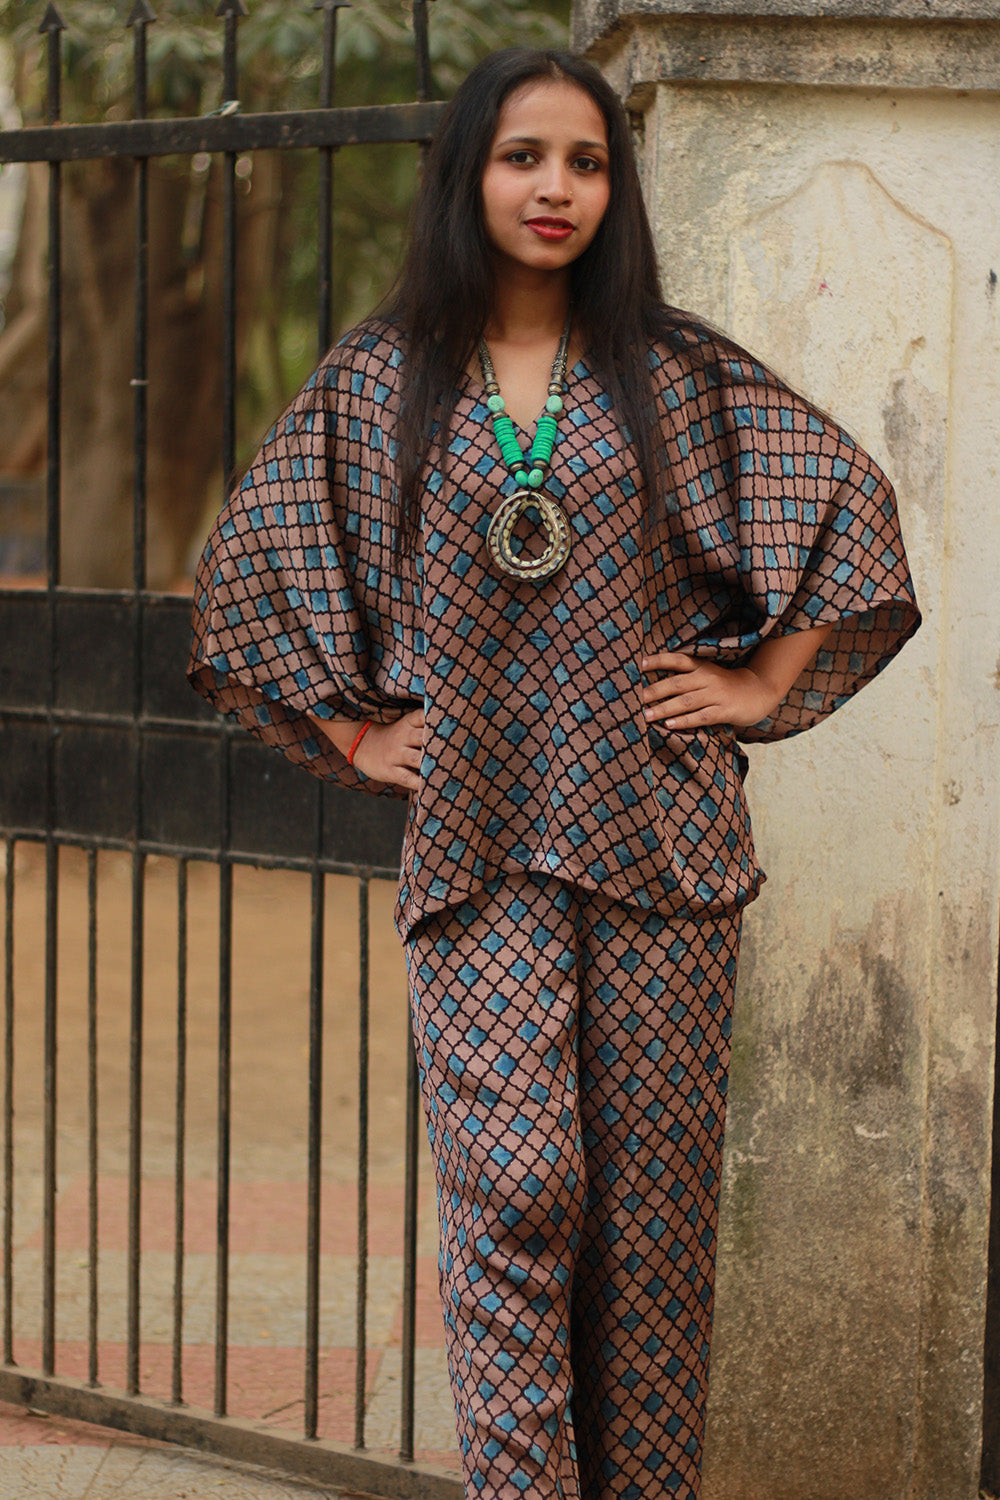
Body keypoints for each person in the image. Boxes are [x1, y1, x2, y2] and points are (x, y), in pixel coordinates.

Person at [188, 46, 919, 1500]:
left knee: (650, 1236)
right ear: (470, 173)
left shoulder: (677, 373)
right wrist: (353, 735)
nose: (556, 188)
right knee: (516, 1189)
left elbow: (848, 505)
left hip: (660, 848)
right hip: (479, 853)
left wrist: (756, 684)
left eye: (586, 162)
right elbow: (244, 577)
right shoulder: (381, 380)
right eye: (524, 156)